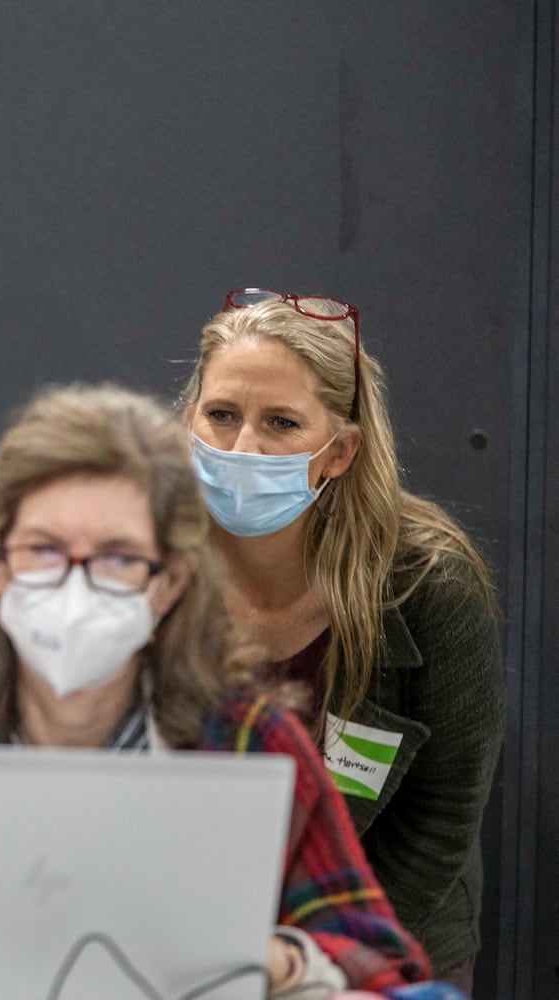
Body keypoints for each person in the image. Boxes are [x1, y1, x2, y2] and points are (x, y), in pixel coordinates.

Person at [0, 385, 434, 997]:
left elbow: (388, 973)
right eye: (42, 550)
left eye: (118, 557)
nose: (74, 581)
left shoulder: (248, 749)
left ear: (170, 583)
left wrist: (273, 962)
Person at [182, 291, 503, 988]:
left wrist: (319, 965)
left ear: (339, 451)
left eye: (282, 423)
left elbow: (442, 818)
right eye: (222, 415)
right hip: (189, 943)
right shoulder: (147, 564)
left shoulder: (428, 588)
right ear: (188, 421)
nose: (243, 447)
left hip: (387, 939)